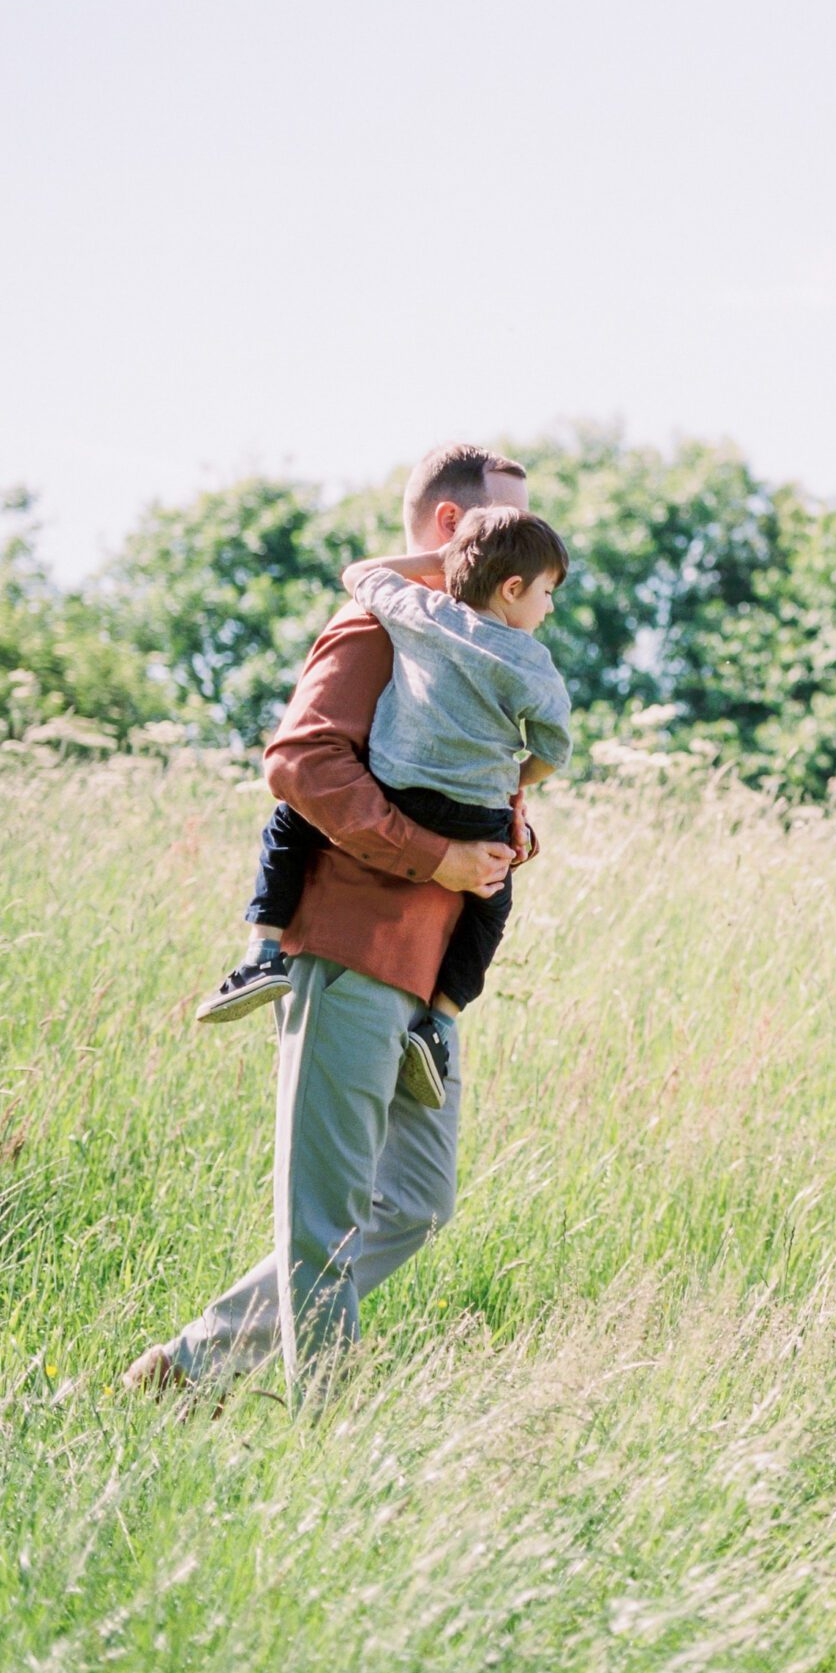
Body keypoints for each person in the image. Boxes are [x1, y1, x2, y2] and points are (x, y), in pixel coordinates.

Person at [120, 445, 533, 1406]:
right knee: (328, 1224)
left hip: (425, 973)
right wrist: (433, 856)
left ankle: (189, 1364)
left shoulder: (476, 652)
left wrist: (501, 838)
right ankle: (330, 1452)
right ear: (449, 529)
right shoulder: (376, 627)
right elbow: (302, 763)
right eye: (506, 520)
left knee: (416, 1204)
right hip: (348, 953)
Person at [195, 505, 573, 1105]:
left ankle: (261, 952)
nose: (550, 608)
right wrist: (516, 781)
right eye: (548, 592)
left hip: (396, 788)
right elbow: (555, 748)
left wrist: (439, 562)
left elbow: (360, 571)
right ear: (512, 589)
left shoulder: (420, 612)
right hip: (476, 810)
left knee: (292, 820)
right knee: (492, 901)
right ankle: (441, 1023)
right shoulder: (533, 661)